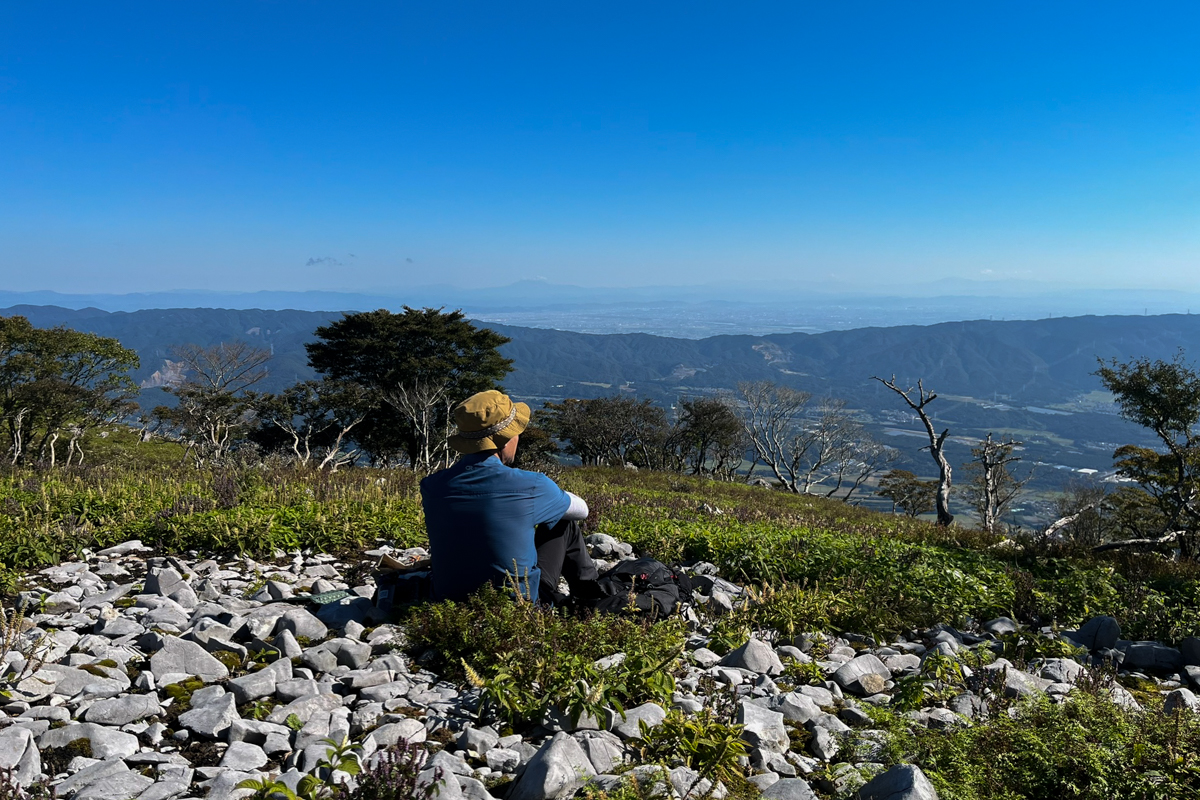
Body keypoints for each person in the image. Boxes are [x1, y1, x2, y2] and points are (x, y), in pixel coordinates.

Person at [420, 389, 599, 603]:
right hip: (515, 607)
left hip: (446, 604)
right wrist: (553, 494)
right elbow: (582, 510)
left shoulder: (432, 486)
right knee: (564, 523)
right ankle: (591, 599)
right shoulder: (532, 485)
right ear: (504, 439)